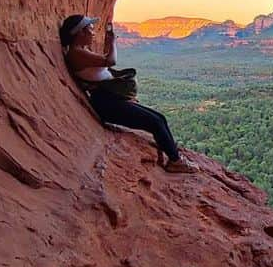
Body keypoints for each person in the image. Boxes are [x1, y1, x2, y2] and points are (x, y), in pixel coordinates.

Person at [59, 14, 195, 174]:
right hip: (107, 104)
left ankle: (174, 155)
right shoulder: (77, 53)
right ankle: (176, 162)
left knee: (160, 118)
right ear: (80, 33)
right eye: (90, 29)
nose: (93, 32)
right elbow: (110, 61)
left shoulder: (81, 51)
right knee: (155, 123)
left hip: (110, 99)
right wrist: (112, 43)